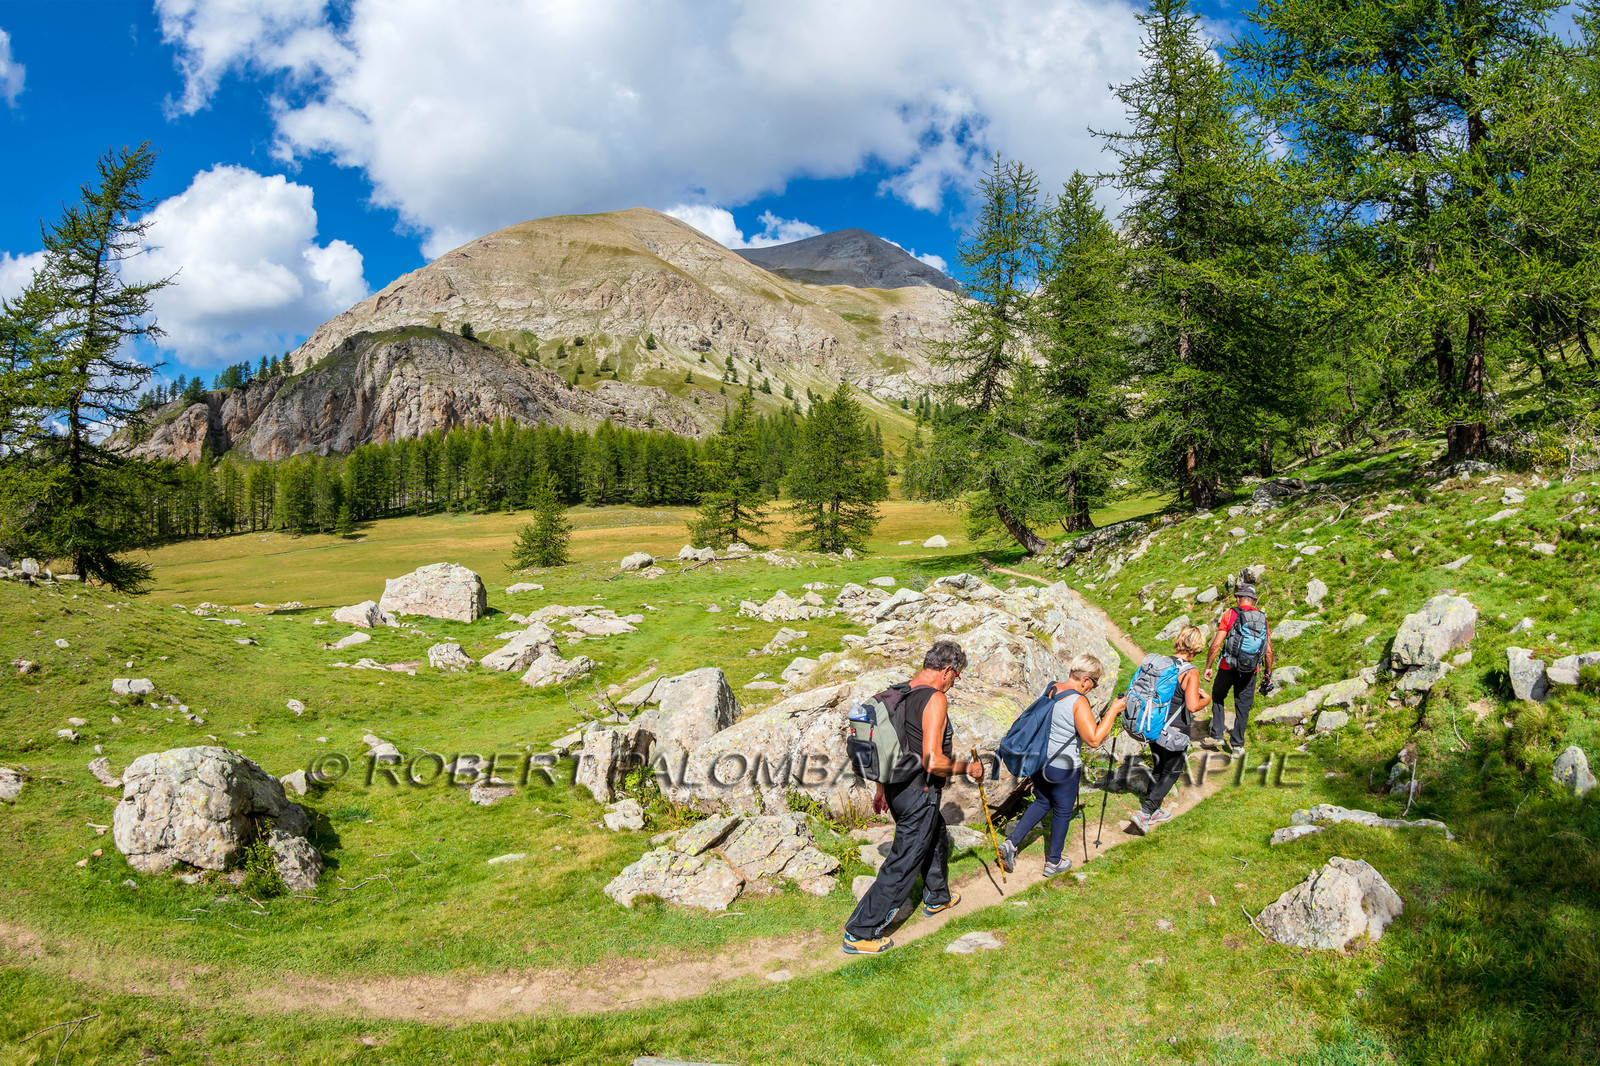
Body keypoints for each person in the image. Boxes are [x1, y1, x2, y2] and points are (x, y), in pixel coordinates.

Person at [842, 639, 982, 956]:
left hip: (896, 787)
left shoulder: (899, 692)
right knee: (903, 862)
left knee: (935, 835)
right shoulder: (934, 699)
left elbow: (893, 745)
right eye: (956, 676)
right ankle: (859, 931)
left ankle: (937, 897)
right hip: (919, 791)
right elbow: (933, 761)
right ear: (948, 670)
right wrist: (967, 768)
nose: (953, 683)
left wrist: (880, 789)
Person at [996, 654, 1116, 877]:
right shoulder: (1078, 701)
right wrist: (1114, 711)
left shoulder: (1052, 687)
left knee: (1042, 801)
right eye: (1094, 684)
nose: (1092, 688)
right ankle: (1053, 862)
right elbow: (1094, 739)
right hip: (1063, 767)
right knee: (1062, 811)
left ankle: (1011, 844)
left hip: (1040, 759)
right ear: (1086, 680)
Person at [1129, 625, 1212, 835]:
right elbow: (1192, 706)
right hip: (1176, 728)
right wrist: (1207, 699)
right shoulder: (1190, 671)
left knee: (1159, 766)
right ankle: (1145, 813)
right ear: (1196, 647)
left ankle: (1154, 809)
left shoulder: (1163, 664)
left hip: (1154, 723)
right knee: (1173, 770)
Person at [1201, 579, 1275, 752]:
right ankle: (1237, 746)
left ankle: (1217, 735)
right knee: (1243, 707)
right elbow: (1269, 651)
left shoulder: (1230, 614)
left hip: (1228, 667)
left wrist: (1208, 666)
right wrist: (1268, 673)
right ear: (1253, 600)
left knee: (1218, 696)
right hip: (1251, 670)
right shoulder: (1262, 618)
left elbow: (1216, 644)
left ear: (1239, 598)